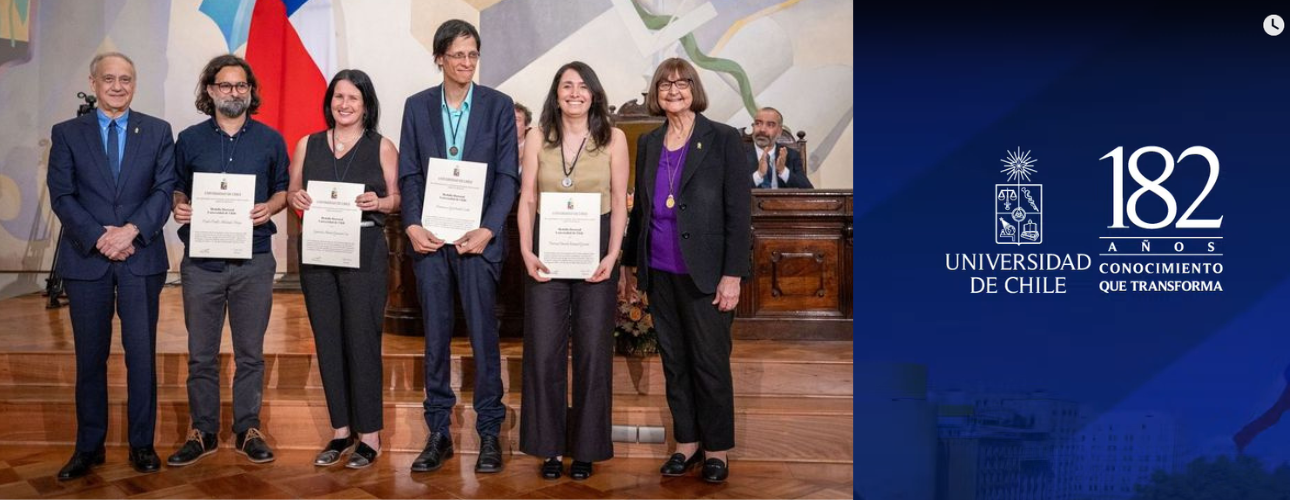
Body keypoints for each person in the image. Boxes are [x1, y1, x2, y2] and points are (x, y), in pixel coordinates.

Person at [620, 57, 750, 484]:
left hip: (707, 274)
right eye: (664, 84)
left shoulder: (724, 139)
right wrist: (630, 267)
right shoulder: (651, 143)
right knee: (675, 362)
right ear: (655, 93)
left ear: (695, 88)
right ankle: (687, 444)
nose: (673, 90)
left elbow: (738, 213)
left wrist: (733, 274)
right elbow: (640, 210)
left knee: (710, 363)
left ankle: (717, 450)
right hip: (659, 268)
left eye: (681, 83)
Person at [397, 19, 518, 474]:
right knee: (436, 341)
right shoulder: (417, 106)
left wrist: (488, 229)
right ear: (440, 59)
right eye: (458, 55)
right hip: (430, 242)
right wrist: (411, 224)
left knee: (485, 338)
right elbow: (409, 173)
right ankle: (438, 434)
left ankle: (490, 434)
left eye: (473, 55)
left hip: (477, 243)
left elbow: (507, 176)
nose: (466, 63)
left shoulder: (498, 105)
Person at [48, 52, 175, 480]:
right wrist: (101, 237)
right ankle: (89, 447)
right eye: (109, 79)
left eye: (125, 79)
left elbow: (163, 191)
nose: (117, 86)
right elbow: (62, 195)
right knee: (90, 359)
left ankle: (142, 444)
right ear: (94, 82)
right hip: (88, 261)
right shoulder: (66, 133)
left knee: (142, 357)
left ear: (134, 84)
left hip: (141, 259)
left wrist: (130, 231)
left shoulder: (157, 131)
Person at [167, 54, 289, 467]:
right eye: (225, 85)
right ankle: (202, 431)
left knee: (250, 352)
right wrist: (179, 206)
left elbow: (283, 190)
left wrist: (270, 207)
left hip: (253, 259)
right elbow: (177, 189)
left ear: (250, 92)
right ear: (210, 91)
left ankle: (247, 428)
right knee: (201, 353)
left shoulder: (270, 140)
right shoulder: (188, 139)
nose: (234, 92)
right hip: (202, 262)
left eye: (241, 86)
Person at [517, 61, 628, 481]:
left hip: (596, 245)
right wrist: (526, 250)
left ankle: (586, 448)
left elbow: (620, 200)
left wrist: (613, 254)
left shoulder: (613, 138)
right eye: (567, 86)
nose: (575, 93)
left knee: (592, 352)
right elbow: (527, 198)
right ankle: (548, 447)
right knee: (543, 352)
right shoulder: (536, 137)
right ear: (556, 93)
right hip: (547, 245)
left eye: (583, 86)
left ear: (595, 94)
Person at [287, 69, 400, 469]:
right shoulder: (308, 144)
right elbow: (292, 192)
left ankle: (370, 434)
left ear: (366, 103)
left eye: (353, 97)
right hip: (318, 252)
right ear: (329, 102)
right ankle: (340, 432)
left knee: (362, 339)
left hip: (364, 251)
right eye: (338, 97)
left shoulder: (382, 146)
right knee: (328, 339)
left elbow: (398, 199)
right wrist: (296, 197)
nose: (345, 104)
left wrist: (380, 203)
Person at [749, 107, 812, 189]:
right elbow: (731, 189)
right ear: (753, 126)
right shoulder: (738, 154)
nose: (762, 129)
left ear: (779, 131)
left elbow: (807, 190)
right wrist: (759, 174)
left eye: (770, 125)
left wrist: (783, 171)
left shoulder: (791, 155)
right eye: (758, 123)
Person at [515, 102, 532, 168]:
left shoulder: (532, 148)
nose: (512, 123)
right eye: (509, 119)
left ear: (527, 125)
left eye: (517, 120)